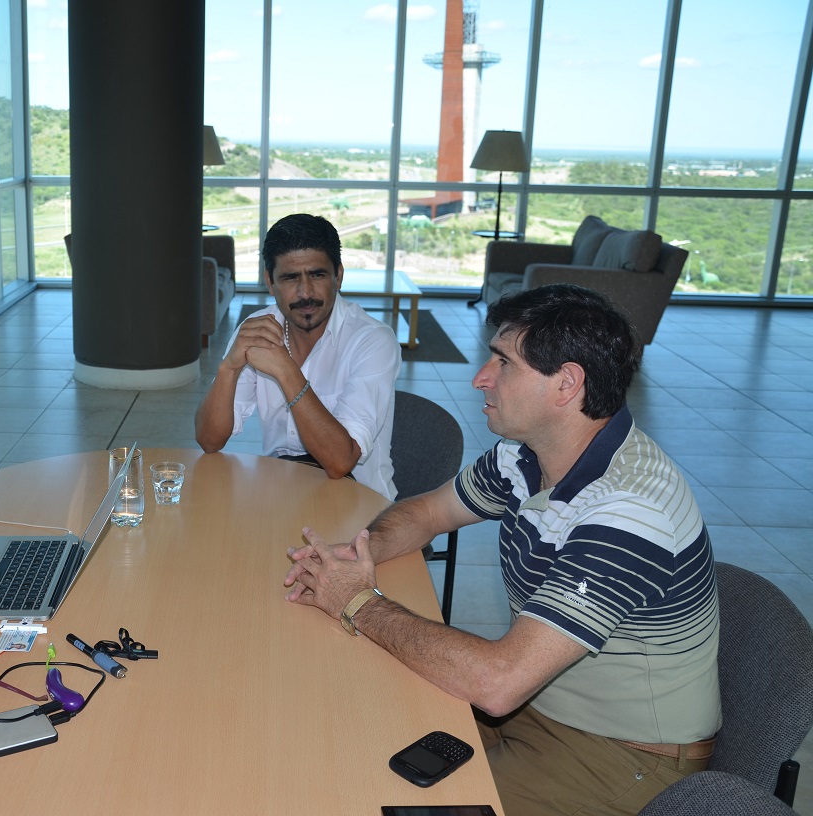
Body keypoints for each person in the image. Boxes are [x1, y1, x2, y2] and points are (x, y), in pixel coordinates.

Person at [283, 284, 720, 816]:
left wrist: (357, 602)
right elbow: (426, 514)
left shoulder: (630, 511)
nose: (480, 378)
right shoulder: (524, 453)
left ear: (566, 385)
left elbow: (498, 683)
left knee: (377, 799)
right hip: (538, 702)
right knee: (343, 739)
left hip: (622, 755)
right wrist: (357, 555)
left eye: (502, 362)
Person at [194, 214, 401, 498]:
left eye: (317, 275)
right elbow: (209, 441)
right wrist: (228, 369)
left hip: (361, 505)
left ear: (338, 276)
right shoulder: (257, 328)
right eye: (290, 278)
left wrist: (286, 370)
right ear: (270, 282)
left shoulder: (373, 340)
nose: (305, 293)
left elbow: (340, 462)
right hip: (283, 495)